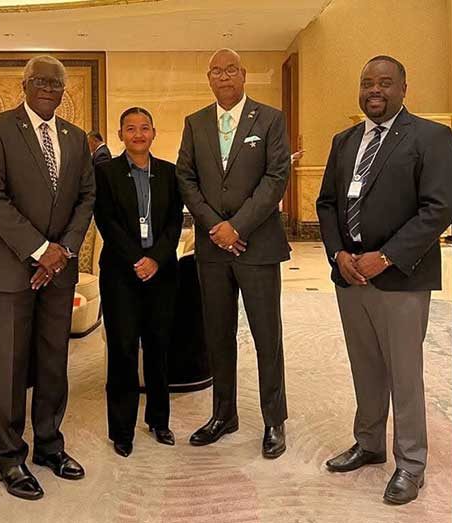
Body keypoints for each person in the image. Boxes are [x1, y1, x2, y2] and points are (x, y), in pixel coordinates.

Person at [316, 55, 452, 505]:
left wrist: (387, 257)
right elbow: (328, 204)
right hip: (350, 275)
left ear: (403, 88)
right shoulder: (344, 140)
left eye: (384, 83)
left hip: (401, 277)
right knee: (366, 366)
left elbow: (438, 209)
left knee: (404, 373)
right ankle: (369, 443)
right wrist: (339, 254)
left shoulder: (431, 137)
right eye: (367, 83)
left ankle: (410, 464)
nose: (374, 90)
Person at [0, 55, 95, 501]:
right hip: (11, 272)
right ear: (23, 85)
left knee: (52, 363)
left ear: (64, 91)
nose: (48, 88)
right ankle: (9, 457)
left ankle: (48, 445)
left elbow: (86, 197)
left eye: (56, 83)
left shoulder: (75, 137)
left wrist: (62, 252)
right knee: (8, 367)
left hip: (59, 273)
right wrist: (41, 250)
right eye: (40, 80)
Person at [176, 48, 291, 459]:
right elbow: (185, 178)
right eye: (216, 71)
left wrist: (236, 226)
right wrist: (215, 228)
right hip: (212, 249)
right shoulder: (195, 122)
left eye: (231, 69)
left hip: (257, 246)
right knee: (218, 335)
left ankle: (274, 420)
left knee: (266, 336)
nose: (224, 76)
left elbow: (277, 178)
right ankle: (223, 414)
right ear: (209, 78)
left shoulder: (271, 119)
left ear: (243, 75)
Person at [93, 107, 183, 457]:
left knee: (159, 349)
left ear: (154, 133)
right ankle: (122, 430)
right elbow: (107, 221)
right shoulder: (106, 173)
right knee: (123, 350)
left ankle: (159, 421)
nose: (138, 134)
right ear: (120, 135)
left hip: (162, 275)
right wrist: (136, 260)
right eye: (130, 128)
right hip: (121, 275)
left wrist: (156, 259)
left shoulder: (170, 173)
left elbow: (174, 223)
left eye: (144, 128)